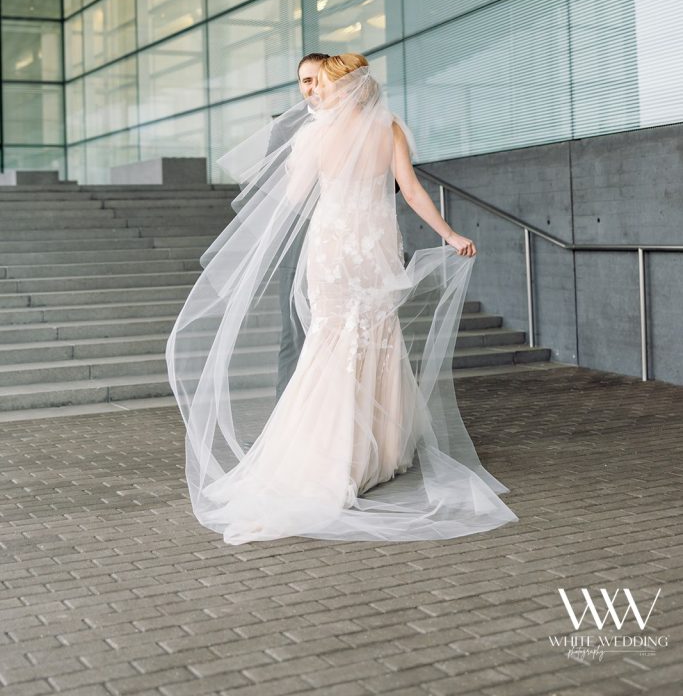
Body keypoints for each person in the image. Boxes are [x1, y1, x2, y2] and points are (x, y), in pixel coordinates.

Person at [165, 53, 518, 544]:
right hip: (373, 246)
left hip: (334, 247)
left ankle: (338, 456)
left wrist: (260, 242)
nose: (312, 93)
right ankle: (372, 454)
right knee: (370, 338)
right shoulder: (389, 127)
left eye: (317, 84)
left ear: (337, 86)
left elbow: (291, 200)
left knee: (336, 340)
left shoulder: (315, 134)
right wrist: (450, 234)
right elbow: (412, 192)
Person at [271, 53, 329, 400]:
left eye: (320, 78)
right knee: (294, 330)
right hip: (298, 238)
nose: (313, 87)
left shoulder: (363, 122)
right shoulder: (285, 127)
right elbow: (268, 186)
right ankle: (284, 422)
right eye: (306, 81)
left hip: (344, 235)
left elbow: (391, 182)